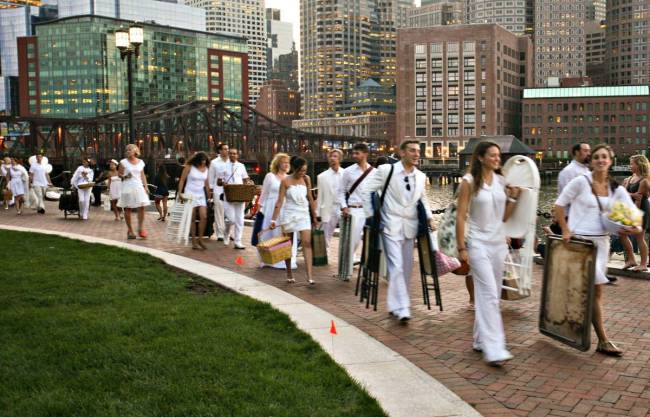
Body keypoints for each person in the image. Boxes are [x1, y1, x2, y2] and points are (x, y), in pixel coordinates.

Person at [555, 144, 638, 357]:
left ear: (610, 161)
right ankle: (603, 339)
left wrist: (632, 226)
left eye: (605, 157)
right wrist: (565, 230)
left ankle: (564, 320)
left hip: (602, 244)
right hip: (581, 244)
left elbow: (631, 214)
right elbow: (559, 205)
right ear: (591, 162)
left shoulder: (615, 188)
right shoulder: (580, 182)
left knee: (590, 291)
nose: (601, 160)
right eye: (597, 157)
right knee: (596, 290)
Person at [455, 141, 521, 366]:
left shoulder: (501, 181)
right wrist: (462, 247)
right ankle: (495, 348)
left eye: (498, 155)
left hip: (498, 245)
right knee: (490, 295)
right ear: (481, 157)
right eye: (492, 155)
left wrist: (513, 198)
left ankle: (479, 340)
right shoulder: (469, 182)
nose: (497, 159)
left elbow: (503, 216)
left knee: (488, 294)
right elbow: (461, 215)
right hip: (477, 244)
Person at [362, 140, 434, 322]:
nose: (417, 154)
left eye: (418, 151)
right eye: (412, 150)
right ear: (402, 153)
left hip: (410, 227)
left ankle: (394, 304)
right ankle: (403, 307)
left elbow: (423, 199)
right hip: (389, 225)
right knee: (396, 266)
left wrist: (430, 217)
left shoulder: (421, 176)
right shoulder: (387, 171)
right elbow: (367, 190)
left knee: (407, 268)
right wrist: (371, 216)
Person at [270, 157, 318, 284]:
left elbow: (310, 199)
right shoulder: (285, 181)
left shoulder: (306, 179)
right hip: (290, 214)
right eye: (301, 170)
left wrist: (314, 215)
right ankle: (289, 272)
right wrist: (273, 220)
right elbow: (279, 201)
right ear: (295, 168)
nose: (303, 173)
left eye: (305, 170)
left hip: (303, 214)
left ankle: (310, 276)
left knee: (307, 243)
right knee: (288, 245)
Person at [338, 143, 375, 278]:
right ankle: (346, 271)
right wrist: (344, 206)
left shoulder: (374, 172)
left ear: (365, 154)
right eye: (353, 153)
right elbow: (341, 191)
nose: (354, 156)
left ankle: (368, 270)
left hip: (369, 211)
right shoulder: (348, 171)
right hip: (354, 209)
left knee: (370, 242)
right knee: (352, 241)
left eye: (357, 153)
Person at [256, 153, 298, 268]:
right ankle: (269, 258)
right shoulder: (270, 176)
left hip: (285, 208)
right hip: (271, 208)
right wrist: (258, 209)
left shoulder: (289, 178)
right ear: (278, 163)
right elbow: (264, 194)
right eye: (284, 162)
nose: (286, 164)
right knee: (271, 233)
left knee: (284, 234)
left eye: (288, 162)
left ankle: (284, 258)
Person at [619, 155, 650, 271]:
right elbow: (621, 193)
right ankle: (631, 259)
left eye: (632, 164)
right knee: (622, 233)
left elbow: (639, 199)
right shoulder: (630, 178)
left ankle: (643, 264)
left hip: (640, 210)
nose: (630, 166)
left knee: (639, 237)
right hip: (629, 209)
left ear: (640, 165)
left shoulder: (644, 181)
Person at [177, 152, 212, 250]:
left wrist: (209, 197)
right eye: (201, 160)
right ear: (197, 160)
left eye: (205, 161)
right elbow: (182, 180)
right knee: (191, 218)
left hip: (201, 195)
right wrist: (180, 193)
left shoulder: (206, 169)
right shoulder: (189, 166)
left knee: (203, 216)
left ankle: (200, 239)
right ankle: (193, 241)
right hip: (190, 194)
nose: (203, 163)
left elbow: (207, 184)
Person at [220, 148, 252, 249]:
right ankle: (226, 232)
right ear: (228, 155)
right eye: (231, 154)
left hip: (240, 194)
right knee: (231, 219)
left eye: (235, 154)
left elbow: (246, 179)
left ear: (237, 155)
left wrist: (249, 182)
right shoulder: (223, 166)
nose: (233, 155)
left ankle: (238, 241)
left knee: (239, 219)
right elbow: (218, 182)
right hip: (228, 195)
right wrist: (222, 183)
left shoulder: (241, 166)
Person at [117, 144, 150, 239]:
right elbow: (119, 174)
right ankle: (130, 230)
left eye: (130, 149)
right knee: (128, 208)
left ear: (135, 150)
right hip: (127, 186)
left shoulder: (141, 162)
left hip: (139, 186)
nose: (127, 151)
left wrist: (146, 186)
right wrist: (125, 176)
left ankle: (140, 228)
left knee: (142, 206)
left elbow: (142, 175)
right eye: (126, 150)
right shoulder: (123, 162)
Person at [316, 148, 343, 247]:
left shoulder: (346, 174)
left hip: (342, 207)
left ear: (340, 159)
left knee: (347, 235)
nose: (332, 158)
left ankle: (348, 258)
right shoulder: (322, 176)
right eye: (330, 156)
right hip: (328, 208)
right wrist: (318, 213)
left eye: (335, 156)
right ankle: (325, 256)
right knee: (326, 235)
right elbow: (320, 197)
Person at [208, 143, 230, 241]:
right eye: (225, 149)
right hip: (218, 190)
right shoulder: (214, 163)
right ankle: (220, 233)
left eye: (227, 149)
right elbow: (210, 178)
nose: (227, 151)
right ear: (220, 151)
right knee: (219, 211)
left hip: (230, 191)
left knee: (229, 213)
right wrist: (211, 191)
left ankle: (227, 232)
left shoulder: (232, 162)